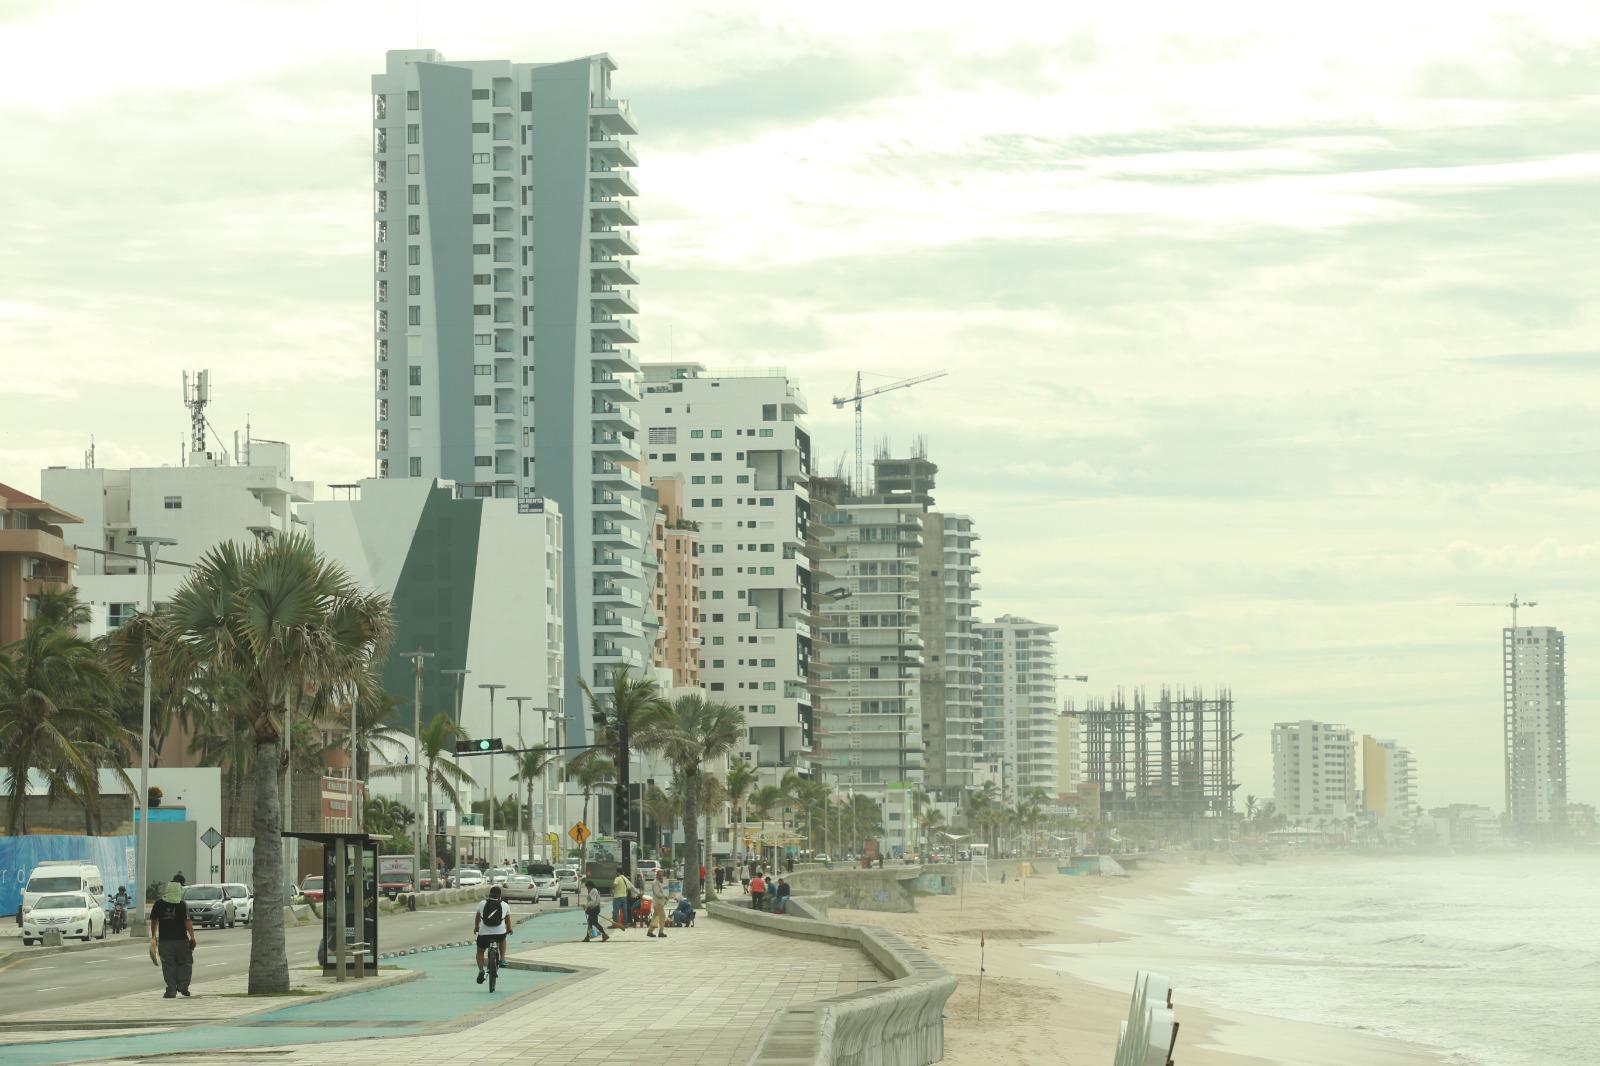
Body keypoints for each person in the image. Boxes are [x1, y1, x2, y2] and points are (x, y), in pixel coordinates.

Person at [148, 881, 196, 998]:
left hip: (165, 941)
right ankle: (183, 986)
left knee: (168, 965)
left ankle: (171, 990)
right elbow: (187, 922)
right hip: (181, 941)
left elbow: (154, 921)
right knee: (185, 963)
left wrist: (154, 936)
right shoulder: (182, 904)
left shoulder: (158, 904)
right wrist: (192, 937)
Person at [473, 884, 512, 984]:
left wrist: (476, 927)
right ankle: (502, 959)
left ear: (489, 894)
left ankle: (481, 970)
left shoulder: (482, 903)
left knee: (480, 951)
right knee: (503, 940)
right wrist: (509, 929)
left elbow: (477, 917)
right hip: (499, 934)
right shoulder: (505, 905)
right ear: (500, 896)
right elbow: (507, 920)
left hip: (484, 934)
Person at [647, 870, 670, 939]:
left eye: (662, 875)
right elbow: (657, 893)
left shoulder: (659, 882)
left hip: (659, 903)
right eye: (659, 875)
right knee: (662, 917)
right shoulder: (655, 883)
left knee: (655, 917)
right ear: (657, 875)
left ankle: (650, 931)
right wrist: (664, 896)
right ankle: (661, 932)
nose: (661, 876)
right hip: (658, 903)